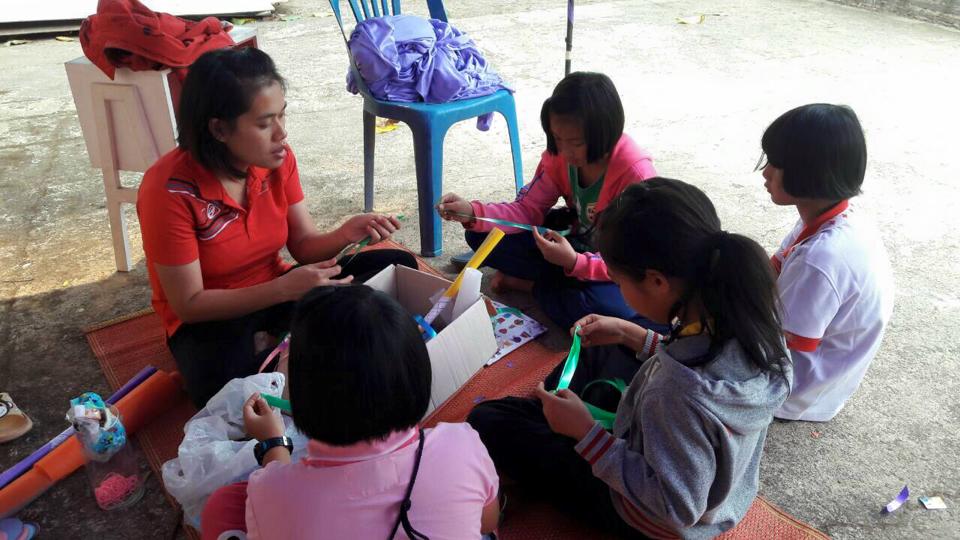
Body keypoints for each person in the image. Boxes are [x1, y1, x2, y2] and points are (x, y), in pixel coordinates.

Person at [468, 179, 793, 538]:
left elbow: (676, 508)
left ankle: (555, 425)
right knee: (602, 344)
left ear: (657, 282)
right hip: (715, 486)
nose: (617, 289)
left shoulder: (674, 393)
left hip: (642, 517)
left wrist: (587, 434)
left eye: (618, 281)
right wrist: (631, 334)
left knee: (488, 419)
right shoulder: (751, 322)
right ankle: (559, 417)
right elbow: (698, 365)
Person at [137, 47, 416, 407]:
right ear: (219, 129)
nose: (281, 133)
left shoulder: (276, 159)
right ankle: (295, 342)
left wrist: (345, 234)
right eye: (264, 123)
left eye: (282, 115)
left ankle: (279, 343)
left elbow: (304, 245)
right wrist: (283, 290)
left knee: (396, 266)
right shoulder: (169, 190)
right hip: (212, 317)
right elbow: (189, 304)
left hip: (281, 292)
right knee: (222, 388)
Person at [200, 285, 501, 540]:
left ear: (303, 394)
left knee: (223, 506)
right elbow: (486, 524)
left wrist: (273, 443)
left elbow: (278, 495)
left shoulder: (270, 492)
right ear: (418, 374)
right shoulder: (462, 445)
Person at [437, 72, 661, 331]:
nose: (565, 151)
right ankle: (557, 285)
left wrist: (574, 262)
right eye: (557, 139)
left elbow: (636, 261)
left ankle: (530, 285)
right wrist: (473, 212)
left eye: (576, 143)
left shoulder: (636, 176)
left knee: (610, 309)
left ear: (605, 134)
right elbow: (527, 210)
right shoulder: (559, 158)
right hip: (575, 243)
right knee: (482, 234)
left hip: (615, 266)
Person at [760, 104, 894, 422]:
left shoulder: (819, 260)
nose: (765, 172)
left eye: (776, 164)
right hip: (822, 377)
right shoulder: (833, 217)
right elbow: (771, 271)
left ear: (807, 172)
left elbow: (776, 345)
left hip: (794, 393)